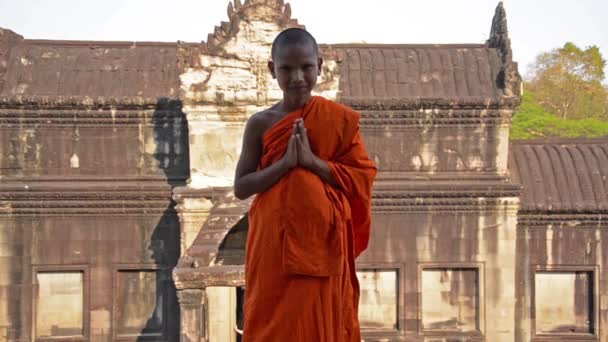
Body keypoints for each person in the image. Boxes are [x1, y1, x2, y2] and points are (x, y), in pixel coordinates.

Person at [233, 27, 377, 342]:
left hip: (324, 244)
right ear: (272, 70)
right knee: (272, 321)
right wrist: (285, 165)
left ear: (320, 66)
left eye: (306, 67)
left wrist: (313, 163)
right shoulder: (261, 123)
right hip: (273, 243)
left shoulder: (336, 120)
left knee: (317, 323)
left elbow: (361, 175)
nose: (297, 76)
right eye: (286, 68)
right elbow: (242, 186)